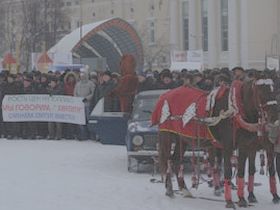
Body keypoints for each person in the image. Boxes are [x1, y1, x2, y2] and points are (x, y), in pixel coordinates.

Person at [74, 71, 96, 140]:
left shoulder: (91, 83)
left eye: (83, 76)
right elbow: (75, 92)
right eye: (81, 76)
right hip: (80, 105)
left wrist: (87, 98)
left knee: (88, 119)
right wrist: (77, 99)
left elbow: (93, 93)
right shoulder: (78, 84)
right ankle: (83, 134)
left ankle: (91, 135)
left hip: (87, 104)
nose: (82, 77)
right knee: (81, 120)